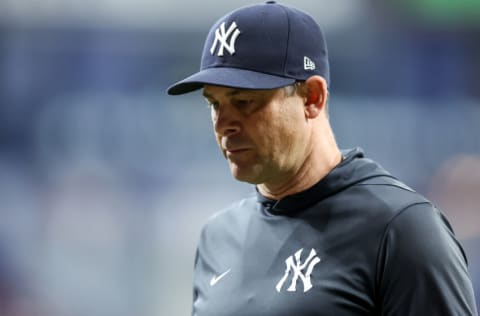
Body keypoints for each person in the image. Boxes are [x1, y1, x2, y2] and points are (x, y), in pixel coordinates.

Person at [167, 1, 478, 315]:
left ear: (312, 98)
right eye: (214, 104)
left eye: (245, 101)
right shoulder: (217, 237)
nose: (224, 125)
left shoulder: (399, 229)